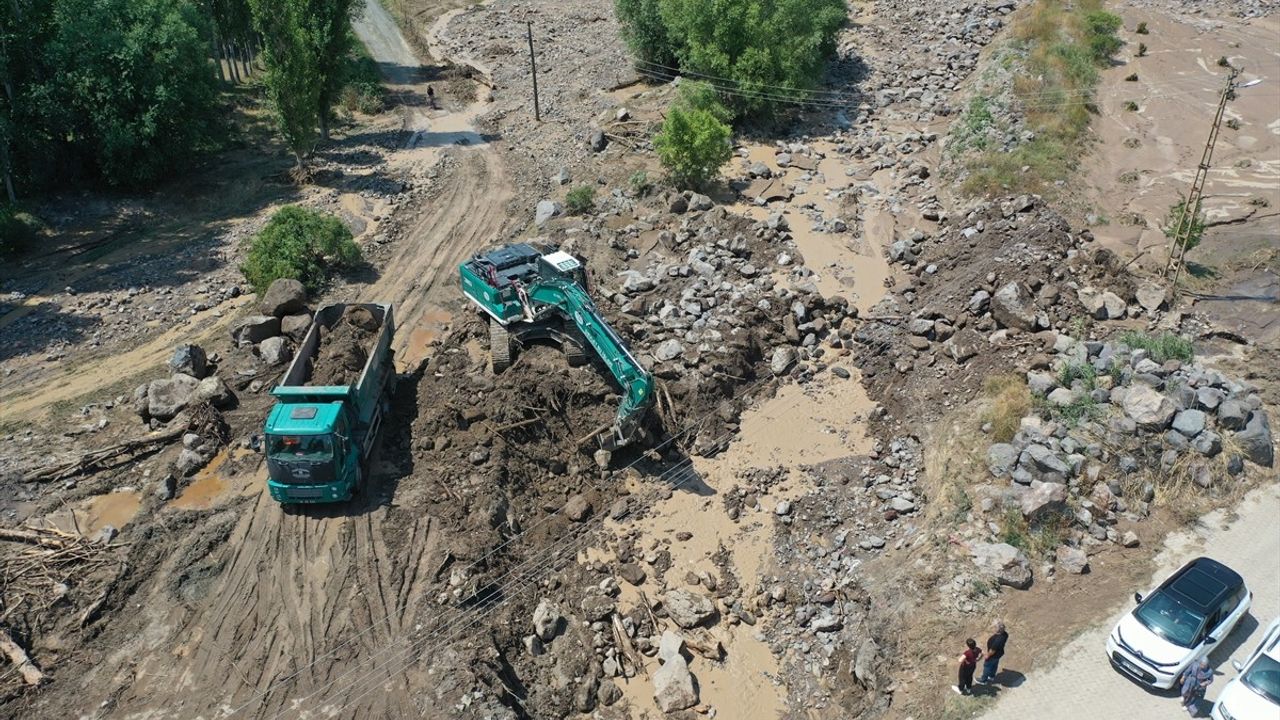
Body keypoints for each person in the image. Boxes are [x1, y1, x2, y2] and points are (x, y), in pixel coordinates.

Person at [978, 620, 1009, 684]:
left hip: (993, 655)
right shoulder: (1005, 634)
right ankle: (991, 676)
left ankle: (983, 680)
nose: (993, 628)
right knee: (994, 665)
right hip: (999, 653)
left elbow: (992, 650)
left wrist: (987, 656)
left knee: (987, 666)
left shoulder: (997, 640)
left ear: (998, 629)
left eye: (994, 627)